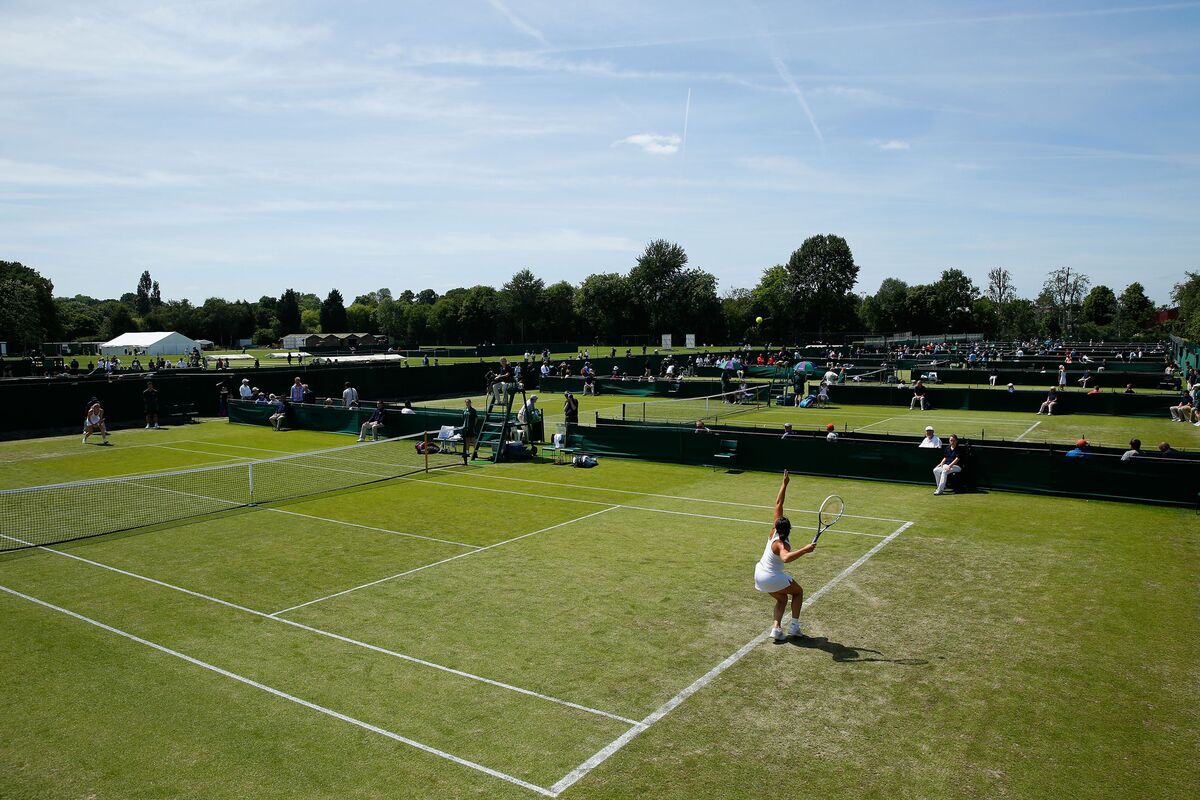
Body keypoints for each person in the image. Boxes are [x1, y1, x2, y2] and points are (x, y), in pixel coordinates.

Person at [754, 470, 816, 642]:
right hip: (771, 577)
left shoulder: (773, 530)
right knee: (798, 593)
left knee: (782, 600)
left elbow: (778, 503)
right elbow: (786, 558)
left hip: (759, 575)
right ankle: (795, 627)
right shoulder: (782, 544)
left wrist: (785, 483)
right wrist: (804, 549)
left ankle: (776, 629)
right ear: (789, 529)